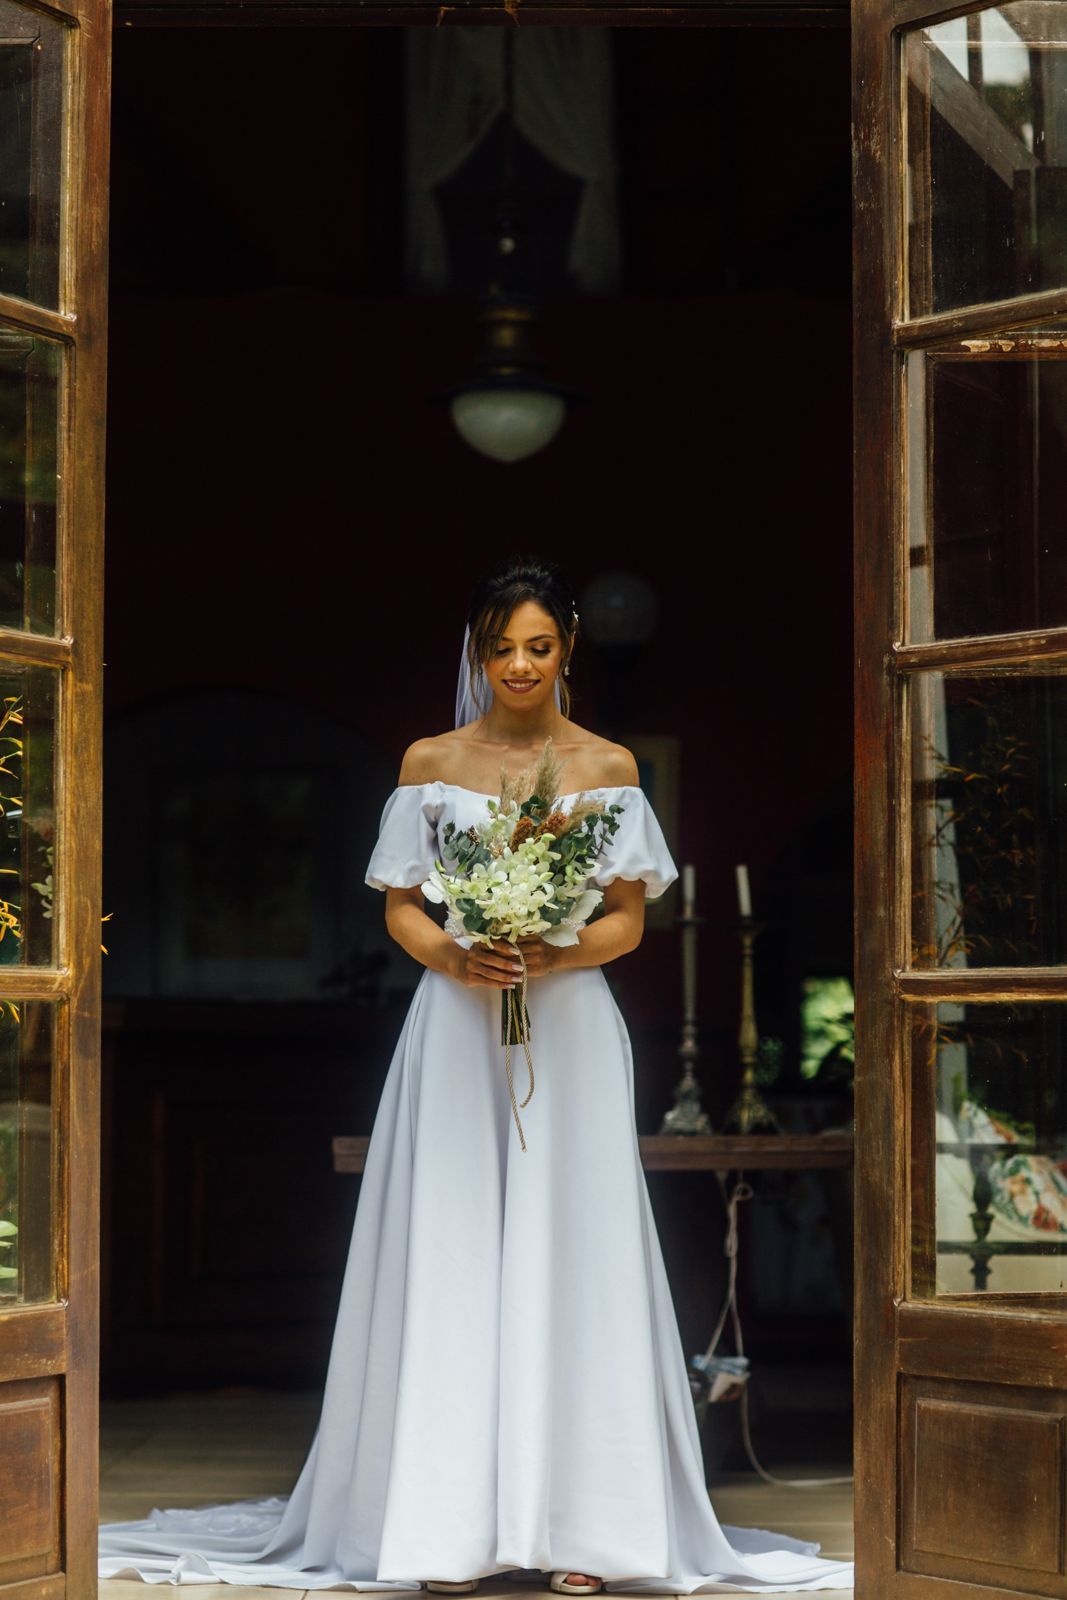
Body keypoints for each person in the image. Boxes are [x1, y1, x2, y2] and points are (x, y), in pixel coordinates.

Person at [99, 558, 854, 1593]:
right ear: (474, 652)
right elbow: (400, 904)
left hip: (570, 1034)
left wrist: (557, 946)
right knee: (452, 1245)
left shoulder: (608, 767)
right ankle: (441, 1526)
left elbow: (631, 918)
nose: (517, 665)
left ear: (568, 648)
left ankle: (590, 1530)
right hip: (455, 1027)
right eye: (499, 647)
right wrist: (456, 955)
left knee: (571, 1250)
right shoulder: (428, 759)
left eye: (537, 646)